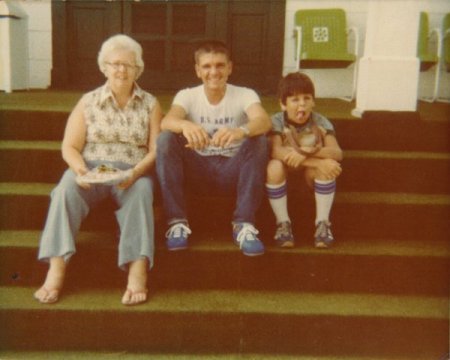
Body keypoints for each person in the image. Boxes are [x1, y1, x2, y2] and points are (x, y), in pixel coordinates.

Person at [34, 34, 162, 305]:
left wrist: (135, 173)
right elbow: (69, 146)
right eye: (115, 64)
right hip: (91, 169)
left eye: (128, 64)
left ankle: (137, 273)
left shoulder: (150, 103)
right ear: (104, 67)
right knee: (64, 191)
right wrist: (81, 171)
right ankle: (56, 270)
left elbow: (155, 149)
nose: (121, 70)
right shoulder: (88, 101)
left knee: (142, 193)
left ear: (138, 68)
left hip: (131, 172)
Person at [156, 40, 271, 256]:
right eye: (207, 66)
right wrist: (184, 124)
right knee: (165, 140)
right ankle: (176, 223)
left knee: (259, 141)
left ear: (230, 68)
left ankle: (243, 225)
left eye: (219, 65)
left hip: (232, 171)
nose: (214, 72)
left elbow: (264, 121)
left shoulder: (245, 94)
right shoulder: (187, 95)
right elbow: (167, 121)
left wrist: (240, 131)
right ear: (198, 70)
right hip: (197, 170)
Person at [266, 72, 343, 248]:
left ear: (313, 102)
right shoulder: (277, 121)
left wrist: (308, 151)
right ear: (283, 104)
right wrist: (317, 161)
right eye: (294, 99)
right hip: (282, 179)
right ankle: (283, 223)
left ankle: (322, 224)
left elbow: (337, 153)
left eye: (306, 98)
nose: (302, 104)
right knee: (274, 166)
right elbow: (276, 151)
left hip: (310, 180)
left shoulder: (320, 121)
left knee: (328, 166)